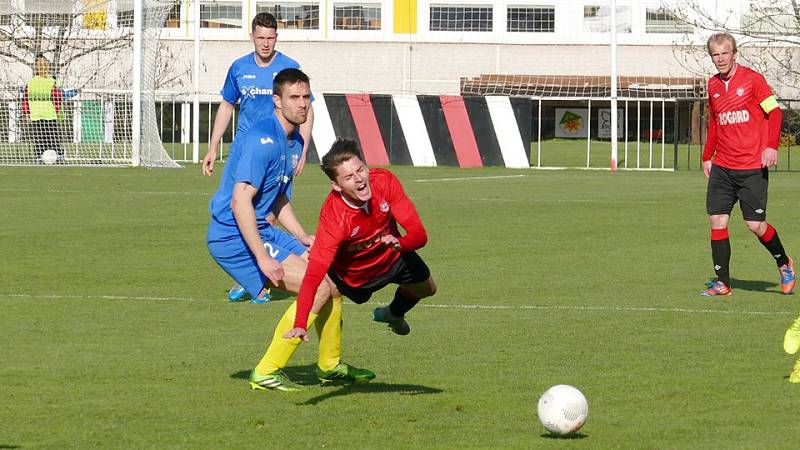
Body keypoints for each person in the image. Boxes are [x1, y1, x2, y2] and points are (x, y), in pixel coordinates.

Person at [206, 69, 372, 392]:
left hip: (260, 230)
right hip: (233, 235)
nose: (302, 104)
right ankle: (267, 371)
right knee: (318, 288)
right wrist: (262, 258)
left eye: (306, 97)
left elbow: (277, 196)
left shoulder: (293, 141)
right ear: (277, 101)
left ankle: (329, 366)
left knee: (333, 282)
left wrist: (300, 235)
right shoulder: (262, 139)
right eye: (294, 98)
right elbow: (241, 202)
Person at [203, 12, 315, 302]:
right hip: (250, 149)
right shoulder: (239, 67)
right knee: (247, 204)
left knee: (269, 208)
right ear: (251, 37)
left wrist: (302, 149)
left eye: (270, 37)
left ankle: (258, 268)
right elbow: (227, 105)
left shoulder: (289, 68)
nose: (265, 43)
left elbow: (308, 109)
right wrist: (213, 146)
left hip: (282, 150)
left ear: (276, 38)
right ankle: (256, 267)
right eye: (260, 37)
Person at [283, 138, 437, 343]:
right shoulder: (334, 218)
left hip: (393, 255)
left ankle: (393, 313)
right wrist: (300, 323)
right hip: (355, 277)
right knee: (329, 290)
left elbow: (419, 234)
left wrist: (401, 244)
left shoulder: (384, 181)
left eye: (360, 169)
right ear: (336, 186)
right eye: (348, 177)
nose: (359, 179)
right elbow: (312, 275)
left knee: (428, 288)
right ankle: (326, 365)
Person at [700, 32, 795, 297]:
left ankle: (784, 263)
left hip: (751, 167)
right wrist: (707, 156)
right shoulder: (713, 86)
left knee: (755, 225)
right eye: (715, 55)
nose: (720, 59)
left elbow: (775, 112)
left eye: (724, 53)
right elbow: (716, 124)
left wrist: (771, 146)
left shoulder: (752, 80)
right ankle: (723, 282)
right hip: (723, 167)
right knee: (717, 220)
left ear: (734, 54)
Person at [23, 54, 64, 163]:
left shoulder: (52, 81)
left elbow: (57, 98)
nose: (43, 68)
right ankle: (39, 158)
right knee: (38, 139)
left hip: (50, 115)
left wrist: (56, 110)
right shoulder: (31, 83)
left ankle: (58, 157)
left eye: (45, 65)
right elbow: (26, 99)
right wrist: (27, 114)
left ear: (48, 66)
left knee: (52, 137)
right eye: (40, 65)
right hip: (36, 116)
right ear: (36, 67)